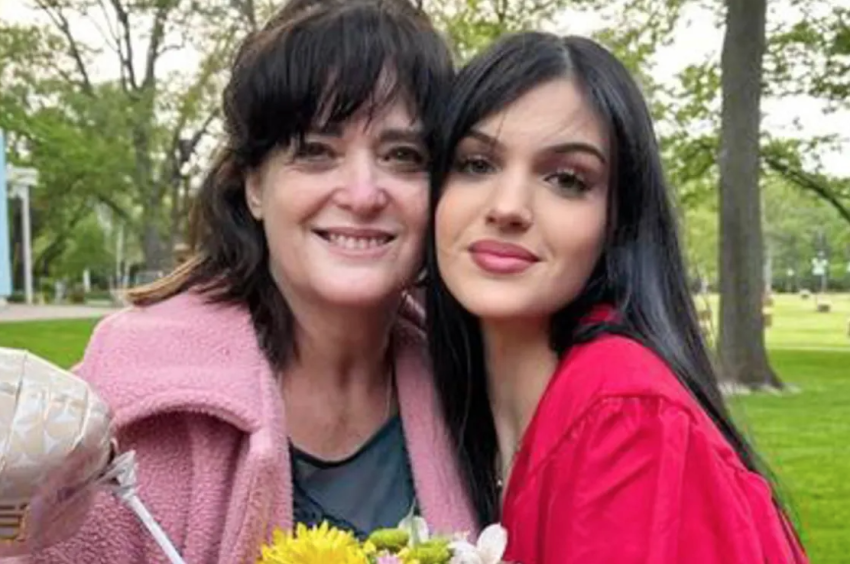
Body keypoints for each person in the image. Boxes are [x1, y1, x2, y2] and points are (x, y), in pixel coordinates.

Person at [25, 1, 476, 562]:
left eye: (403, 156)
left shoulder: (474, 386)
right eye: (316, 151)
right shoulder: (132, 405)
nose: (363, 194)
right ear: (253, 187)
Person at [427, 31, 808, 563]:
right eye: (476, 164)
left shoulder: (626, 423)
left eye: (566, 179)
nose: (508, 206)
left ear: (616, 222)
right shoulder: (456, 421)